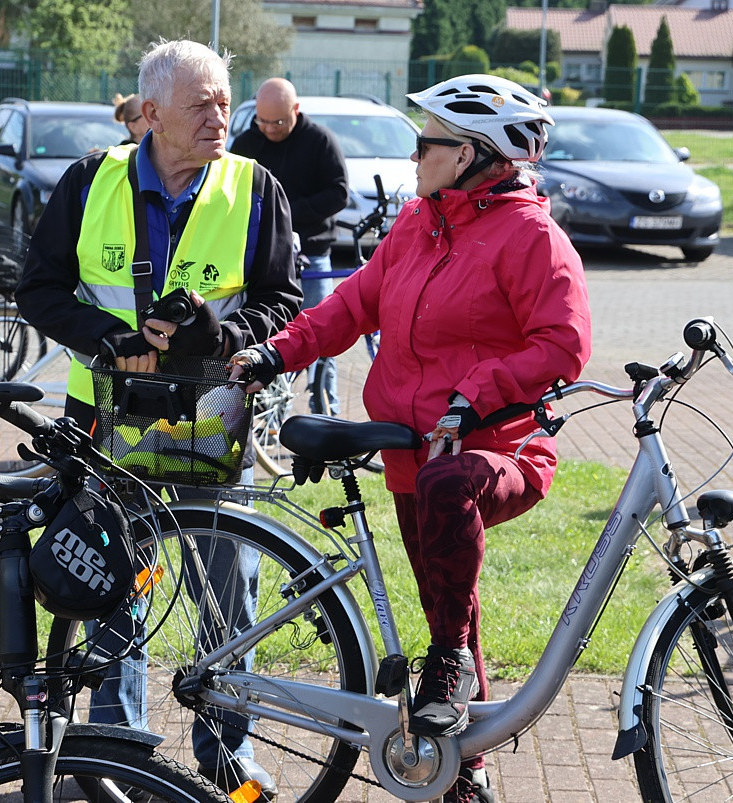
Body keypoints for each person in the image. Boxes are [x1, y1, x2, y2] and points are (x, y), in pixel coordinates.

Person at [230, 74, 592, 803]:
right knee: (445, 607)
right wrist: (276, 350)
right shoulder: (418, 223)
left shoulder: (530, 237)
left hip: (501, 449)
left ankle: (453, 695)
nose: (415, 150)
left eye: (427, 139)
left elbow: (564, 343)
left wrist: (475, 393)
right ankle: (468, 774)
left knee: (449, 586)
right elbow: (356, 303)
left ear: (470, 154)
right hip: (411, 450)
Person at [17, 39, 302, 801]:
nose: (220, 118)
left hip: (212, 417)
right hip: (105, 422)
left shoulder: (255, 187)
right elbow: (38, 290)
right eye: (200, 105)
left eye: (223, 101)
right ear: (149, 115)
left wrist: (225, 335)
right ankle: (116, 750)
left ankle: (223, 755)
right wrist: (107, 340)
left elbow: (285, 300)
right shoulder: (88, 181)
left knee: (225, 587)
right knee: (114, 582)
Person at [230, 77, 348, 415]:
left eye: (278, 122)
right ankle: (263, 409)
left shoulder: (320, 141)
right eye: (262, 121)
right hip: (262, 256)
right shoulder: (248, 142)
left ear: (296, 110)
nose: (269, 129)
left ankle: (328, 412)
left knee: (325, 336)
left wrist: (285, 214)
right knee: (263, 333)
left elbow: (338, 192)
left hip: (312, 253)